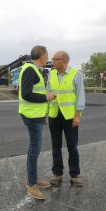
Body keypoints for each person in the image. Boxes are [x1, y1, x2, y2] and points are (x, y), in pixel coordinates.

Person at [19, 45, 56, 200]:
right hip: (31, 115)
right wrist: (46, 97)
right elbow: (27, 94)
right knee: (35, 149)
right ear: (41, 55)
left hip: (36, 115)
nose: (48, 56)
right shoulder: (30, 69)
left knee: (34, 149)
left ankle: (32, 179)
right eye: (47, 54)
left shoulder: (34, 69)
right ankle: (32, 184)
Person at [48, 51, 85, 187]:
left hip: (70, 116)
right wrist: (46, 113)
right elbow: (48, 93)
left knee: (72, 146)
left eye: (55, 59)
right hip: (54, 114)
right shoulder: (51, 74)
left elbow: (80, 96)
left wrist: (77, 116)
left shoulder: (76, 74)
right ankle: (57, 174)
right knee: (55, 146)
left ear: (63, 61)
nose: (52, 61)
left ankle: (75, 175)